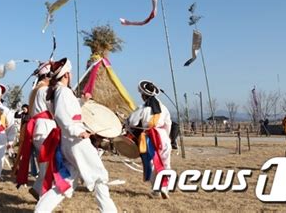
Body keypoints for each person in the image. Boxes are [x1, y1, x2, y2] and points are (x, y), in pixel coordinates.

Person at [35, 58, 117, 213]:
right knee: (99, 177)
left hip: (69, 141)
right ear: (66, 75)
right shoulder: (63, 91)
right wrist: (78, 131)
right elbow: (62, 115)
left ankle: (41, 210)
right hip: (76, 141)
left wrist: (82, 101)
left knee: (67, 180)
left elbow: (69, 111)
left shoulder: (59, 92)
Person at [16, 61, 56, 200]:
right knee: (47, 163)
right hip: (45, 128)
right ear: (47, 76)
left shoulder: (36, 90)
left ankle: (39, 189)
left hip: (40, 128)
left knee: (46, 163)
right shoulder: (45, 90)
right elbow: (55, 108)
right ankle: (42, 193)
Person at [127, 80, 172, 199]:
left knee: (152, 163)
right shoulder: (164, 108)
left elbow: (132, 122)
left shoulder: (142, 108)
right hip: (163, 136)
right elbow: (168, 123)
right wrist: (166, 137)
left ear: (143, 95)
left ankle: (157, 189)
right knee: (166, 163)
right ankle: (165, 187)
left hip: (149, 137)